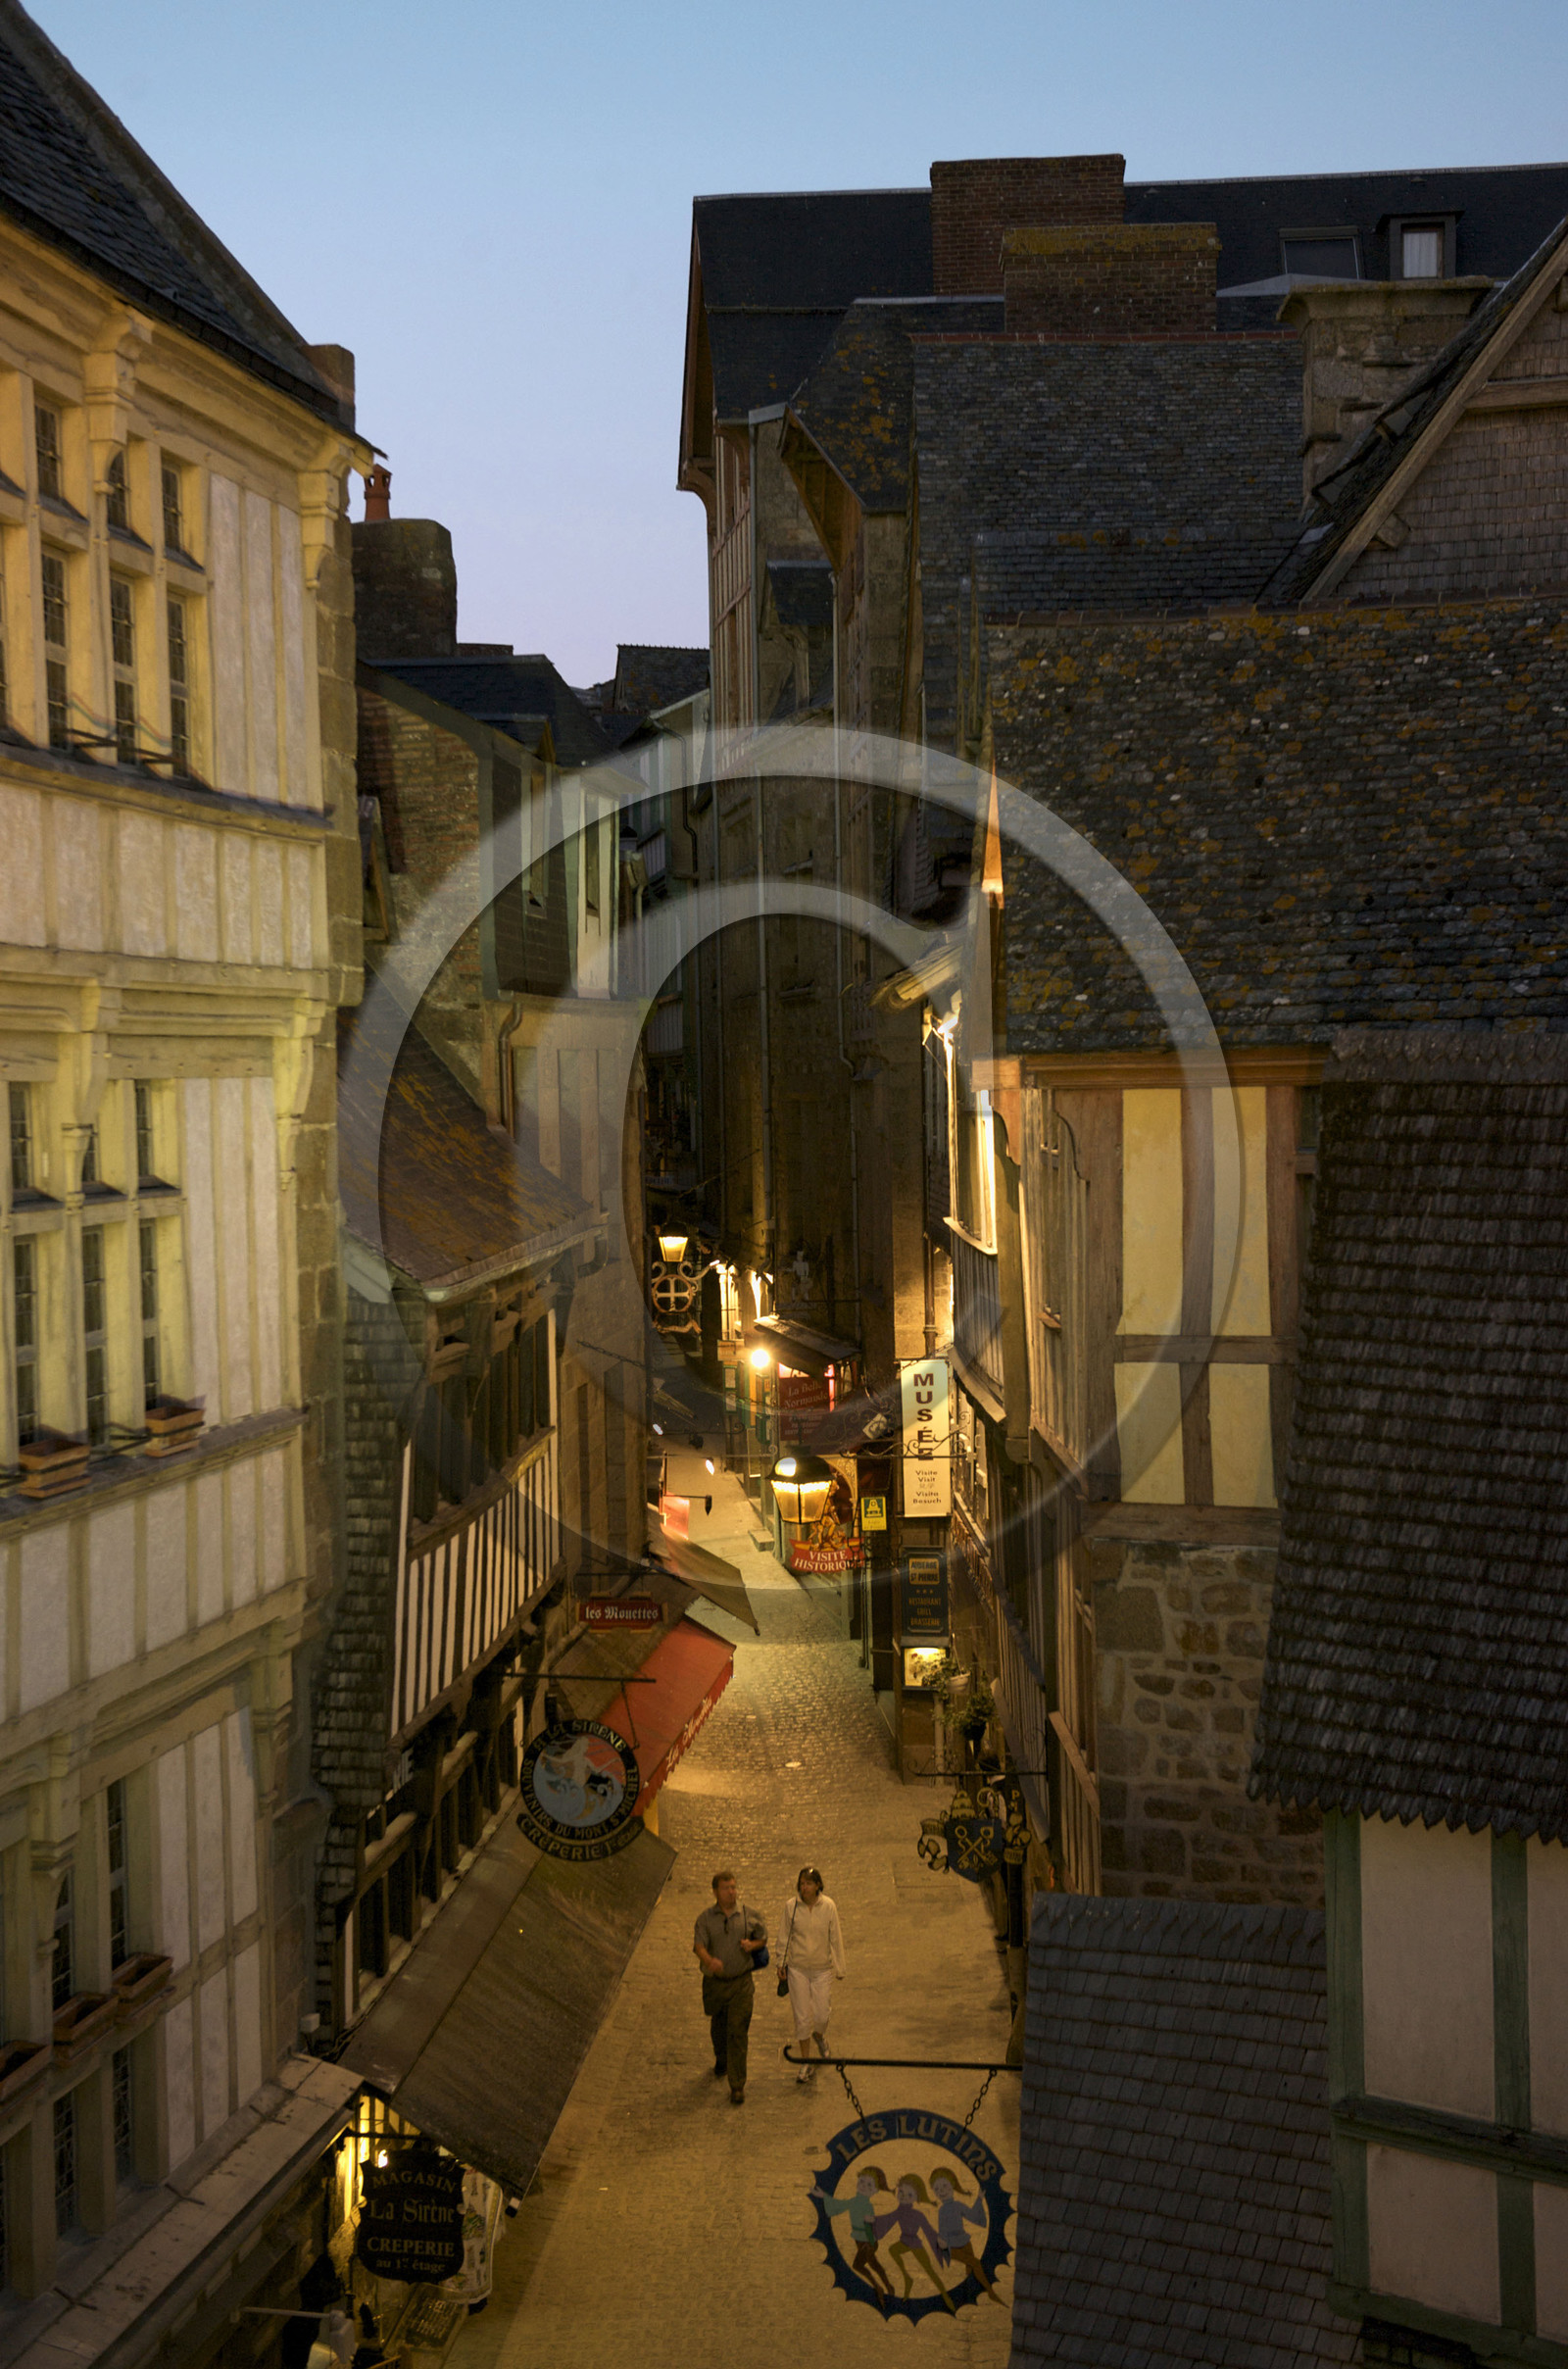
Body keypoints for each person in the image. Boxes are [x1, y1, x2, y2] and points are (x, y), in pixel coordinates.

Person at [692, 1869, 767, 2103]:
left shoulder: (748, 1914)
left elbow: (762, 1938)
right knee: (719, 2027)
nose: (732, 1892)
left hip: (741, 1983)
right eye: (726, 1888)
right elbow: (698, 1946)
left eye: (734, 1887)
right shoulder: (705, 1919)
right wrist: (709, 1961)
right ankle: (721, 2058)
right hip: (715, 1984)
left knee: (738, 2031)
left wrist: (752, 1945)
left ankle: (737, 2084)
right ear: (715, 1892)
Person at [777, 1864, 846, 2082]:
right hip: (798, 1968)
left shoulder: (829, 1907)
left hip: (821, 1969)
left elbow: (835, 1936)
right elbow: (784, 1935)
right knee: (802, 2017)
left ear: (818, 1885)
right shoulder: (791, 1906)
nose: (803, 1887)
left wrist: (840, 1966)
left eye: (808, 1883)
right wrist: (781, 1962)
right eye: (801, 1883)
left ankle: (819, 2035)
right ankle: (805, 2062)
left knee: (821, 2015)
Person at [812, 2166, 894, 2316]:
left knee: (859, 2265)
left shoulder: (866, 2206)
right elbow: (838, 2205)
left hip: (867, 2241)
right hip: (860, 2241)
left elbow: (869, 2227)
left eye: (869, 2185)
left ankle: (879, 2287)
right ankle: (887, 2286)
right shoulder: (854, 2201)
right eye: (862, 2182)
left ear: (874, 2191)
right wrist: (823, 2195)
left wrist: (870, 2243)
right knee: (873, 2264)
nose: (863, 2186)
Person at [874, 2174, 956, 2313]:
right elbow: (887, 2219)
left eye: (909, 2194)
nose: (904, 2196)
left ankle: (946, 2296)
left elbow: (929, 2230)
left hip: (916, 2245)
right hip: (904, 2241)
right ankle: (907, 2277)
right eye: (901, 2192)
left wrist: (940, 2241)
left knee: (930, 2271)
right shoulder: (899, 2211)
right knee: (893, 2250)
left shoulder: (918, 2214)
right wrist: (873, 2220)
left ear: (916, 2197)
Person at [930, 2167, 1000, 2299]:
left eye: (944, 2186)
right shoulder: (942, 2211)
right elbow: (942, 2230)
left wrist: (979, 2199)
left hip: (965, 2241)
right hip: (952, 2245)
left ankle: (971, 2294)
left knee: (970, 2269)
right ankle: (990, 2291)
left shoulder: (958, 2205)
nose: (941, 2191)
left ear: (953, 2185)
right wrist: (943, 2246)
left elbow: (973, 2216)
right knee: (976, 2263)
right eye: (937, 2189)